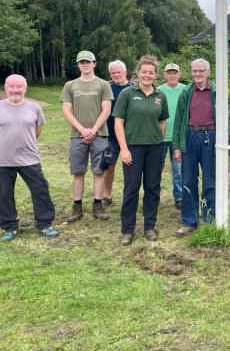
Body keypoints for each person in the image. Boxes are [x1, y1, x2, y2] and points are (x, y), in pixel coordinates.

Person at [113, 55, 169, 245]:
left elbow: (162, 122)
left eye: (151, 72)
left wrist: (158, 141)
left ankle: (149, 227)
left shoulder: (160, 96)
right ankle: (127, 230)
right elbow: (118, 122)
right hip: (132, 149)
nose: (147, 75)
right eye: (144, 72)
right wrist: (123, 148)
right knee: (131, 188)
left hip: (154, 148)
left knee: (153, 188)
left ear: (155, 75)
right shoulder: (127, 94)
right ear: (138, 73)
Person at [0, 75, 59, 241]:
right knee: (4, 194)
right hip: (3, 160)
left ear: (25, 88)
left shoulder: (35, 108)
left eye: (19, 86)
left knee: (40, 190)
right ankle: (10, 227)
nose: (15, 90)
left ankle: (44, 224)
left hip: (29, 159)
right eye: (11, 86)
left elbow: (37, 131)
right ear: (6, 88)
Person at [61, 50, 113, 222]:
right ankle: (77, 208)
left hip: (100, 135)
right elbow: (66, 111)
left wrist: (93, 130)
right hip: (77, 136)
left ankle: (98, 206)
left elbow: (106, 110)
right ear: (78, 64)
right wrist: (83, 130)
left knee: (99, 171)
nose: (85, 64)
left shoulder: (103, 85)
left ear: (94, 63)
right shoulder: (70, 85)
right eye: (82, 62)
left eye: (88, 61)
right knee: (78, 172)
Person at [172, 58, 216, 236]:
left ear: (208, 72)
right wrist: (176, 146)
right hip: (190, 136)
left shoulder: (216, 91)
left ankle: (210, 219)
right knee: (188, 180)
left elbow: (224, 117)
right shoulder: (186, 92)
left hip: (211, 136)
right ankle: (190, 221)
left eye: (201, 71)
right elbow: (178, 121)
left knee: (210, 179)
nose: (198, 74)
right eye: (195, 71)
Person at [102, 60, 133, 207]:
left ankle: (130, 195)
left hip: (131, 136)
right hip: (110, 136)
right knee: (109, 165)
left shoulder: (134, 88)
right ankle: (107, 195)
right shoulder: (106, 89)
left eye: (118, 72)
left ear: (125, 73)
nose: (116, 75)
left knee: (131, 166)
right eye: (113, 73)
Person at [158, 63, 186, 209]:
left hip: (178, 138)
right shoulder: (158, 91)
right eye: (169, 73)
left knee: (178, 170)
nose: (172, 75)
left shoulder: (185, 90)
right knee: (156, 169)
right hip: (160, 136)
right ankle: (154, 196)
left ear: (179, 74)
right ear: (165, 75)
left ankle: (179, 197)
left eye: (175, 73)